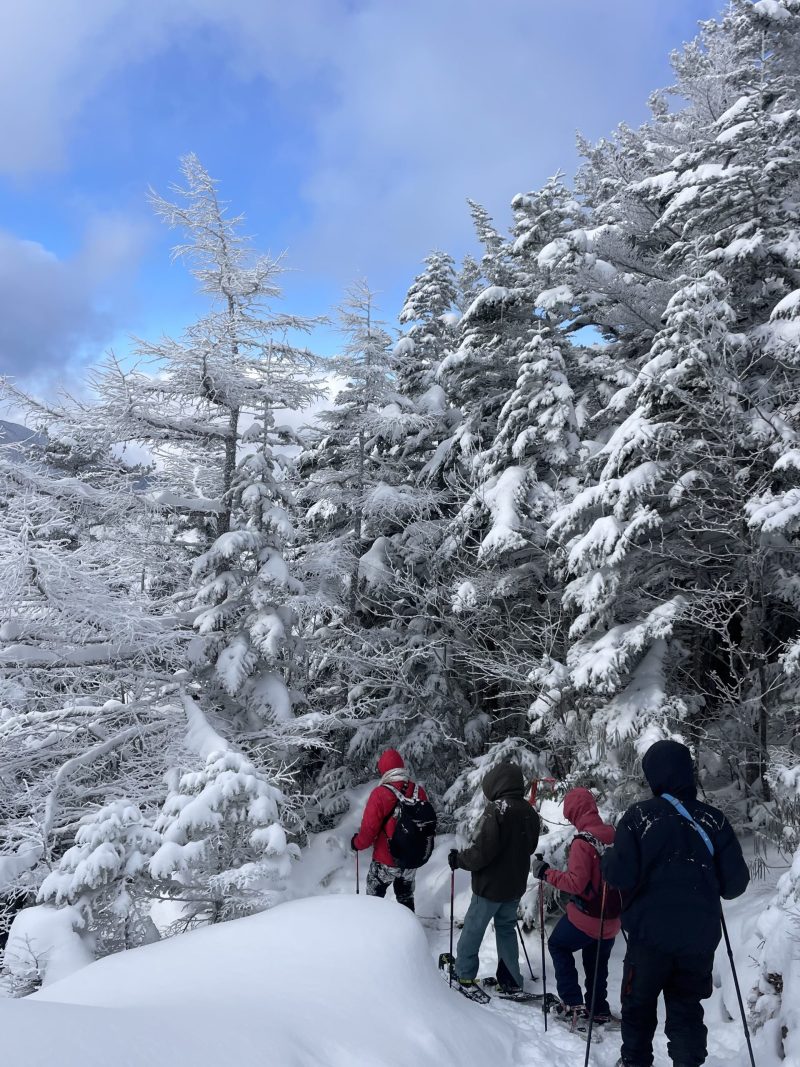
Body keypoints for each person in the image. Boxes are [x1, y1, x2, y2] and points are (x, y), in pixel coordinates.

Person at [601, 739, 750, 1067]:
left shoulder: (638, 817)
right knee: (686, 1011)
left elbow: (620, 876)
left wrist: (608, 860)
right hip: (698, 940)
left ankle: (634, 1062)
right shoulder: (714, 821)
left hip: (648, 937)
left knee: (638, 1007)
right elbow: (735, 886)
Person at [448, 761, 540, 997]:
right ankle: (511, 980)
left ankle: (463, 974)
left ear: (497, 784)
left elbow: (482, 852)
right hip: (514, 886)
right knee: (506, 929)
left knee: (473, 929)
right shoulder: (529, 811)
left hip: (489, 887)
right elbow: (530, 847)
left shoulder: (497, 810)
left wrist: (459, 860)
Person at [532, 787, 620, 1030]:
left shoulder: (583, 842)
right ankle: (598, 1008)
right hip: (612, 918)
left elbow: (576, 883)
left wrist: (546, 873)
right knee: (596, 962)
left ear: (573, 813)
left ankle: (572, 1003)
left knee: (558, 945)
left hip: (588, 916)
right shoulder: (614, 835)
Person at [351, 749, 428, 911]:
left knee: (373, 899)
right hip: (411, 859)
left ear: (384, 770)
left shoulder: (380, 793)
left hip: (385, 859)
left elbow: (369, 831)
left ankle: (374, 924)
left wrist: (356, 843)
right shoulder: (418, 791)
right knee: (405, 897)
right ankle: (409, 924)